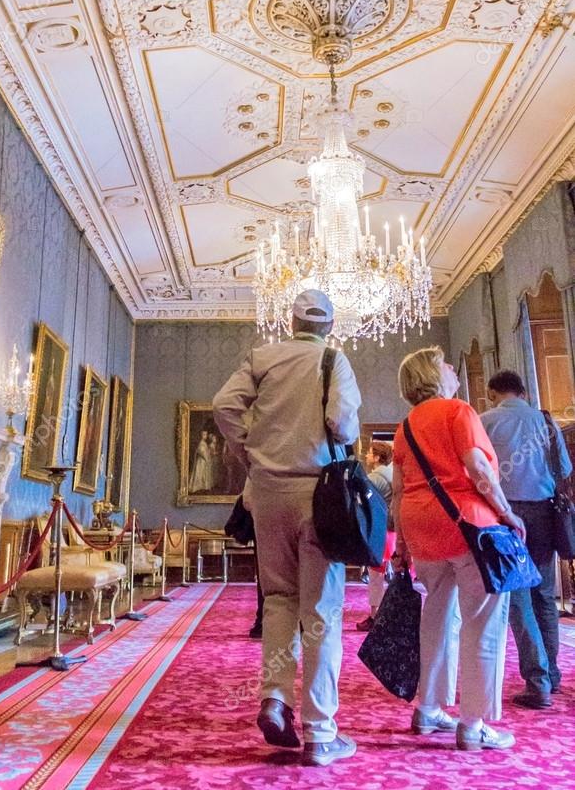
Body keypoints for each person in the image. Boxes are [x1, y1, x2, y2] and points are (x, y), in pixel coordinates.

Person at [213, 290, 361, 767]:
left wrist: (250, 452)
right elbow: (341, 422)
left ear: (290, 320)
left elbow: (223, 406)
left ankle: (275, 698)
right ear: (329, 326)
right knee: (320, 609)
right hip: (318, 492)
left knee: (278, 599)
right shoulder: (333, 360)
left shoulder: (263, 356)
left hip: (268, 492)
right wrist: (345, 434)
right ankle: (321, 732)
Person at [392, 346, 525, 751]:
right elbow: (478, 469)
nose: (452, 369)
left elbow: (398, 492)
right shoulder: (457, 411)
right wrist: (506, 513)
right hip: (468, 525)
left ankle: (429, 708)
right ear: (434, 374)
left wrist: (401, 544)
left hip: (422, 528)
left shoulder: (406, 427)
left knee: (436, 617)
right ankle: (473, 723)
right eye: (447, 364)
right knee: (482, 622)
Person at [480, 369, 572, 709]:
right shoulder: (545, 421)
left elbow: (478, 472)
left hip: (506, 516)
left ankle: (538, 682)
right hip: (545, 512)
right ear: (522, 391)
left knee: (518, 599)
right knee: (544, 597)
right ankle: (553, 675)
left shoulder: (485, 421)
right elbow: (562, 470)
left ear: (492, 392)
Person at [355, 441, 396, 631]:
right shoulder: (392, 473)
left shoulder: (375, 477)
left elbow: (359, 500)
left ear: (378, 457)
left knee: (375, 575)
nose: (366, 456)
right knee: (395, 574)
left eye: (370, 453)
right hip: (394, 530)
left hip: (382, 531)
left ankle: (374, 616)